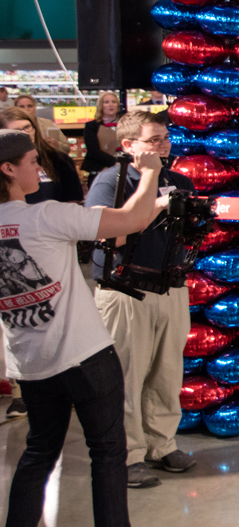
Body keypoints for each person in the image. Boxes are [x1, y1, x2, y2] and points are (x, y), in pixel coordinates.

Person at [0, 129, 171, 527]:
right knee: (108, 451)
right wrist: (149, 172)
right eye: (32, 161)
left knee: (39, 451)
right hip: (84, 355)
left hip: (30, 363)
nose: (40, 168)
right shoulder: (46, 217)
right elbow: (130, 220)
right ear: (7, 169)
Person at [84, 111, 196, 489]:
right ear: (128, 144)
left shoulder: (177, 180)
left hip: (171, 287)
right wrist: (156, 208)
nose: (162, 145)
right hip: (125, 290)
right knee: (126, 376)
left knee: (167, 373)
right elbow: (107, 237)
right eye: (153, 139)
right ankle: (128, 454)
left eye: (165, 138)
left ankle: (162, 444)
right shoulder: (110, 182)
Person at [1, 108, 82, 204]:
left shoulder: (59, 160)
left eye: (27, 127)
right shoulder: (3, 165)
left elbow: (72, 201)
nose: (25, 134)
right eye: (17, 131)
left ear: (35, 128)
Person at [82, 90, 122, 177]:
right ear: (101, 106)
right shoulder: (91, 126)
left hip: (123, 169)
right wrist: (114, 163)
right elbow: (93, 151)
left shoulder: (125, 124)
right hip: (99, 170)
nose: (111, 105)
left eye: (114, 102)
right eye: (106, 102)